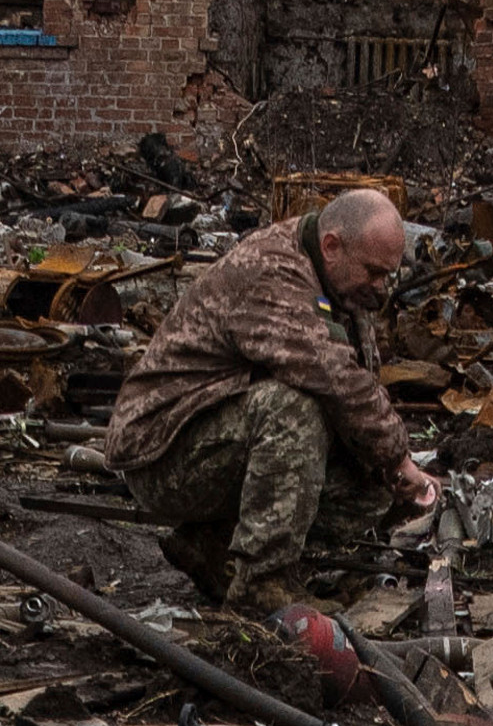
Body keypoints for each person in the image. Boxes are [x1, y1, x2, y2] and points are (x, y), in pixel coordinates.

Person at [103, 184, 425, 621]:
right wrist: (398, 456)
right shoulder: (270, 273)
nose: (381, 287)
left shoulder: (339, 285)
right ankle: (261, 584)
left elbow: (356, 385)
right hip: (162, 452)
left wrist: (387, 466)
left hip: (217, 440)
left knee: (371, 486)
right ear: (332, 246)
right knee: (293, 408)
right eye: (373, 272)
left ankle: (215, 546)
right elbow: (333, 377)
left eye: (387, 275)